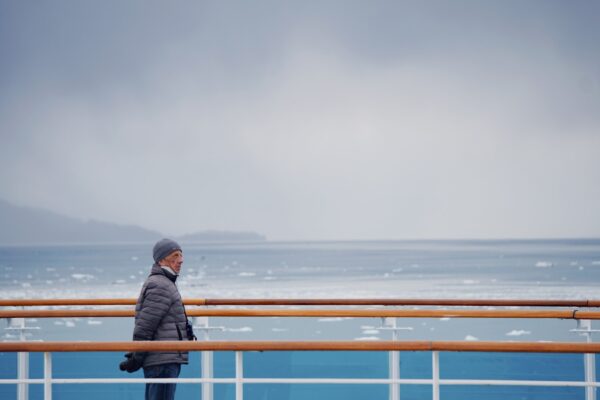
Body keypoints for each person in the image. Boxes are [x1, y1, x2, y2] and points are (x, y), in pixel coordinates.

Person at [120, 238, 190, 400]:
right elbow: (145, 327)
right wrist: (136, 359)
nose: (180, 260)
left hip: (164, 357)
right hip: (162, 360)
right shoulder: (160, 285)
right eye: (175, 255)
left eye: (181, 255)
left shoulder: (165, 282)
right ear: (161, 260)